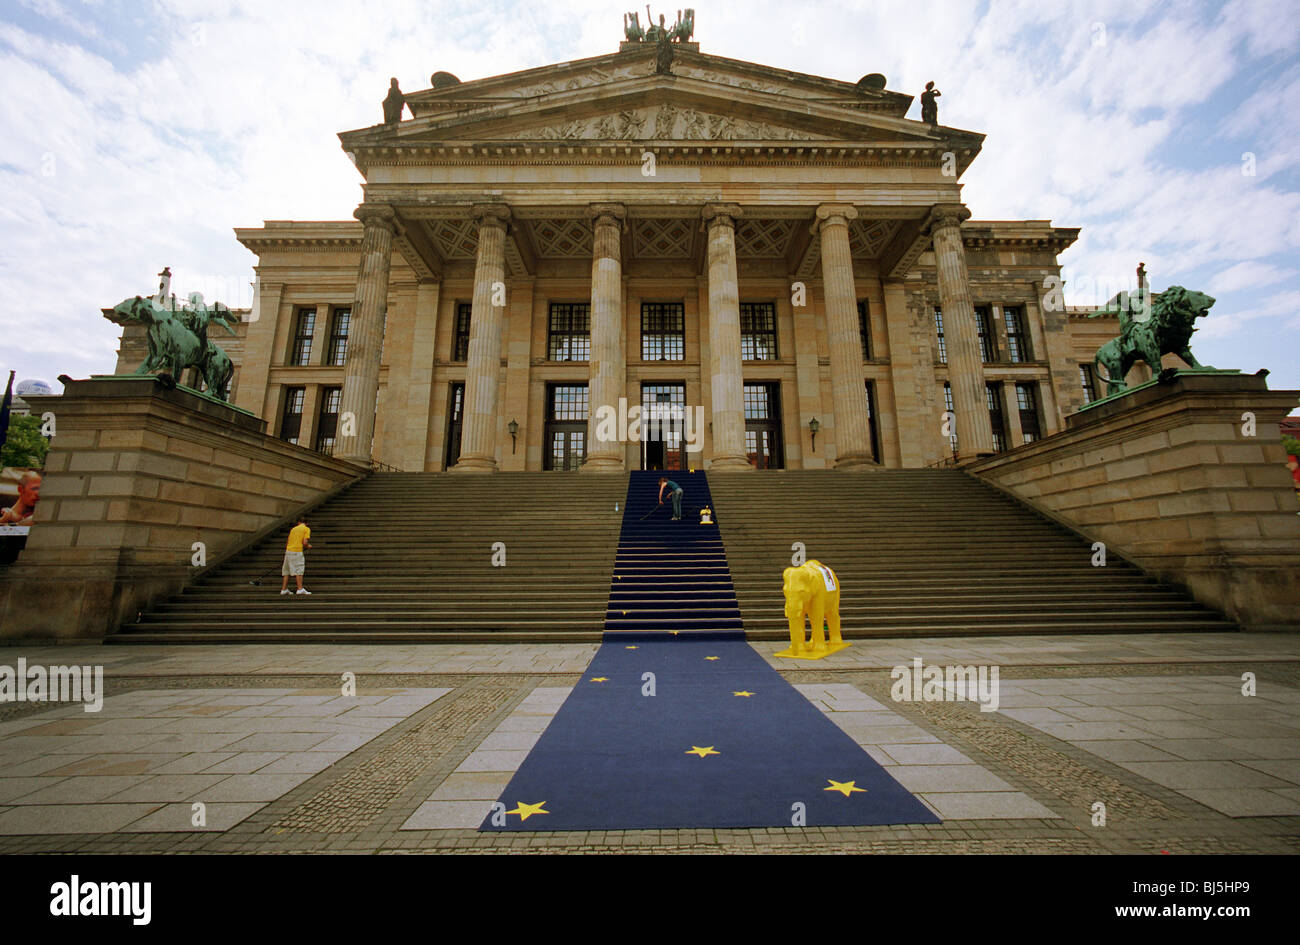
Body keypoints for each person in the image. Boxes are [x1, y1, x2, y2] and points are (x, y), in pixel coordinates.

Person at [280, 515, 312, 595]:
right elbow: (304, 542)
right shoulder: (306, 529)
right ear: (306, 523)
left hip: (288, 551)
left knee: (286, 571)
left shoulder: (293, 529)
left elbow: (288, 541)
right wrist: (308, 546)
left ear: (298, 522)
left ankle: (284, 589)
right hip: (297, 551)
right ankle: (300, 588)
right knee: (299, 569)